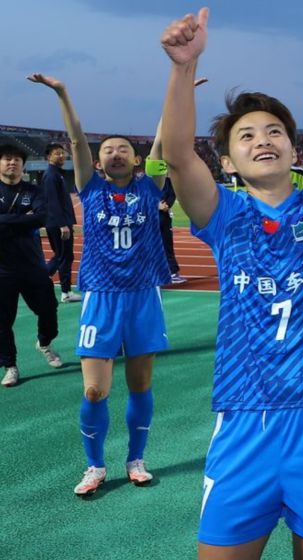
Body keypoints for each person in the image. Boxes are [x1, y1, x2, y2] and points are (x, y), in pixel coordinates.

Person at [159, 9, 303, 559]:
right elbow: (176, 156)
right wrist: (183, 68)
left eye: (275, 132)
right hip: (246, 415)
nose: (263, 140)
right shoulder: (224, 214)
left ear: (293, 149)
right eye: (246, 135)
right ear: (227, 161)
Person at [30, 73, 171, 496]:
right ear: (97, 160)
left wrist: (176, 88)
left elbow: (163, 141)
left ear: (136, 158)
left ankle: (136, 459)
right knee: (94, 390)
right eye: (107, 149)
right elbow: (75, 140)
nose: (115, 154)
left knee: (140, 385)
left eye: (123, 149)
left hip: (143, 297)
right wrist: (62, 93)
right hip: (102, 299)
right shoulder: (90, 189)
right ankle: (95, 466)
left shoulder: (151, 186)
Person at [0, 144, 63, 388]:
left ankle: (44, 342)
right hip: (3, 269)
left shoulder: (34, 191)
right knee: (2, 322)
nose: (12, 163)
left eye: (17, 159)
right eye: (7, 159)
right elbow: (31, 220)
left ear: (23, 165)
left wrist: (6, 221)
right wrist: (24, 219)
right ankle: (10, 366)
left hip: (32, 265)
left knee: (49, 310)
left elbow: (42, 217)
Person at [40, 143, 82, 302]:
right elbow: (52, 202)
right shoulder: (51, 175)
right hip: (58, 223)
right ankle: (65, 292)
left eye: (62, 153)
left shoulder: (57, 174)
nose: (61, 156)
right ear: (48, 156)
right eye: (57, 153)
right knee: (64, 256)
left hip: (61, 221)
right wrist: (62, 224)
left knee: (63, 255)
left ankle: (39, 280)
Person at [158, 177, 186, 284]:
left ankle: (172, 272)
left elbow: (172, 194)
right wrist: (156, 205)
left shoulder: (169, 181)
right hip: (150, 218)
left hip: (164, 218)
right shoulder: (146, 181)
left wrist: (167, 205)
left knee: (167, 246)